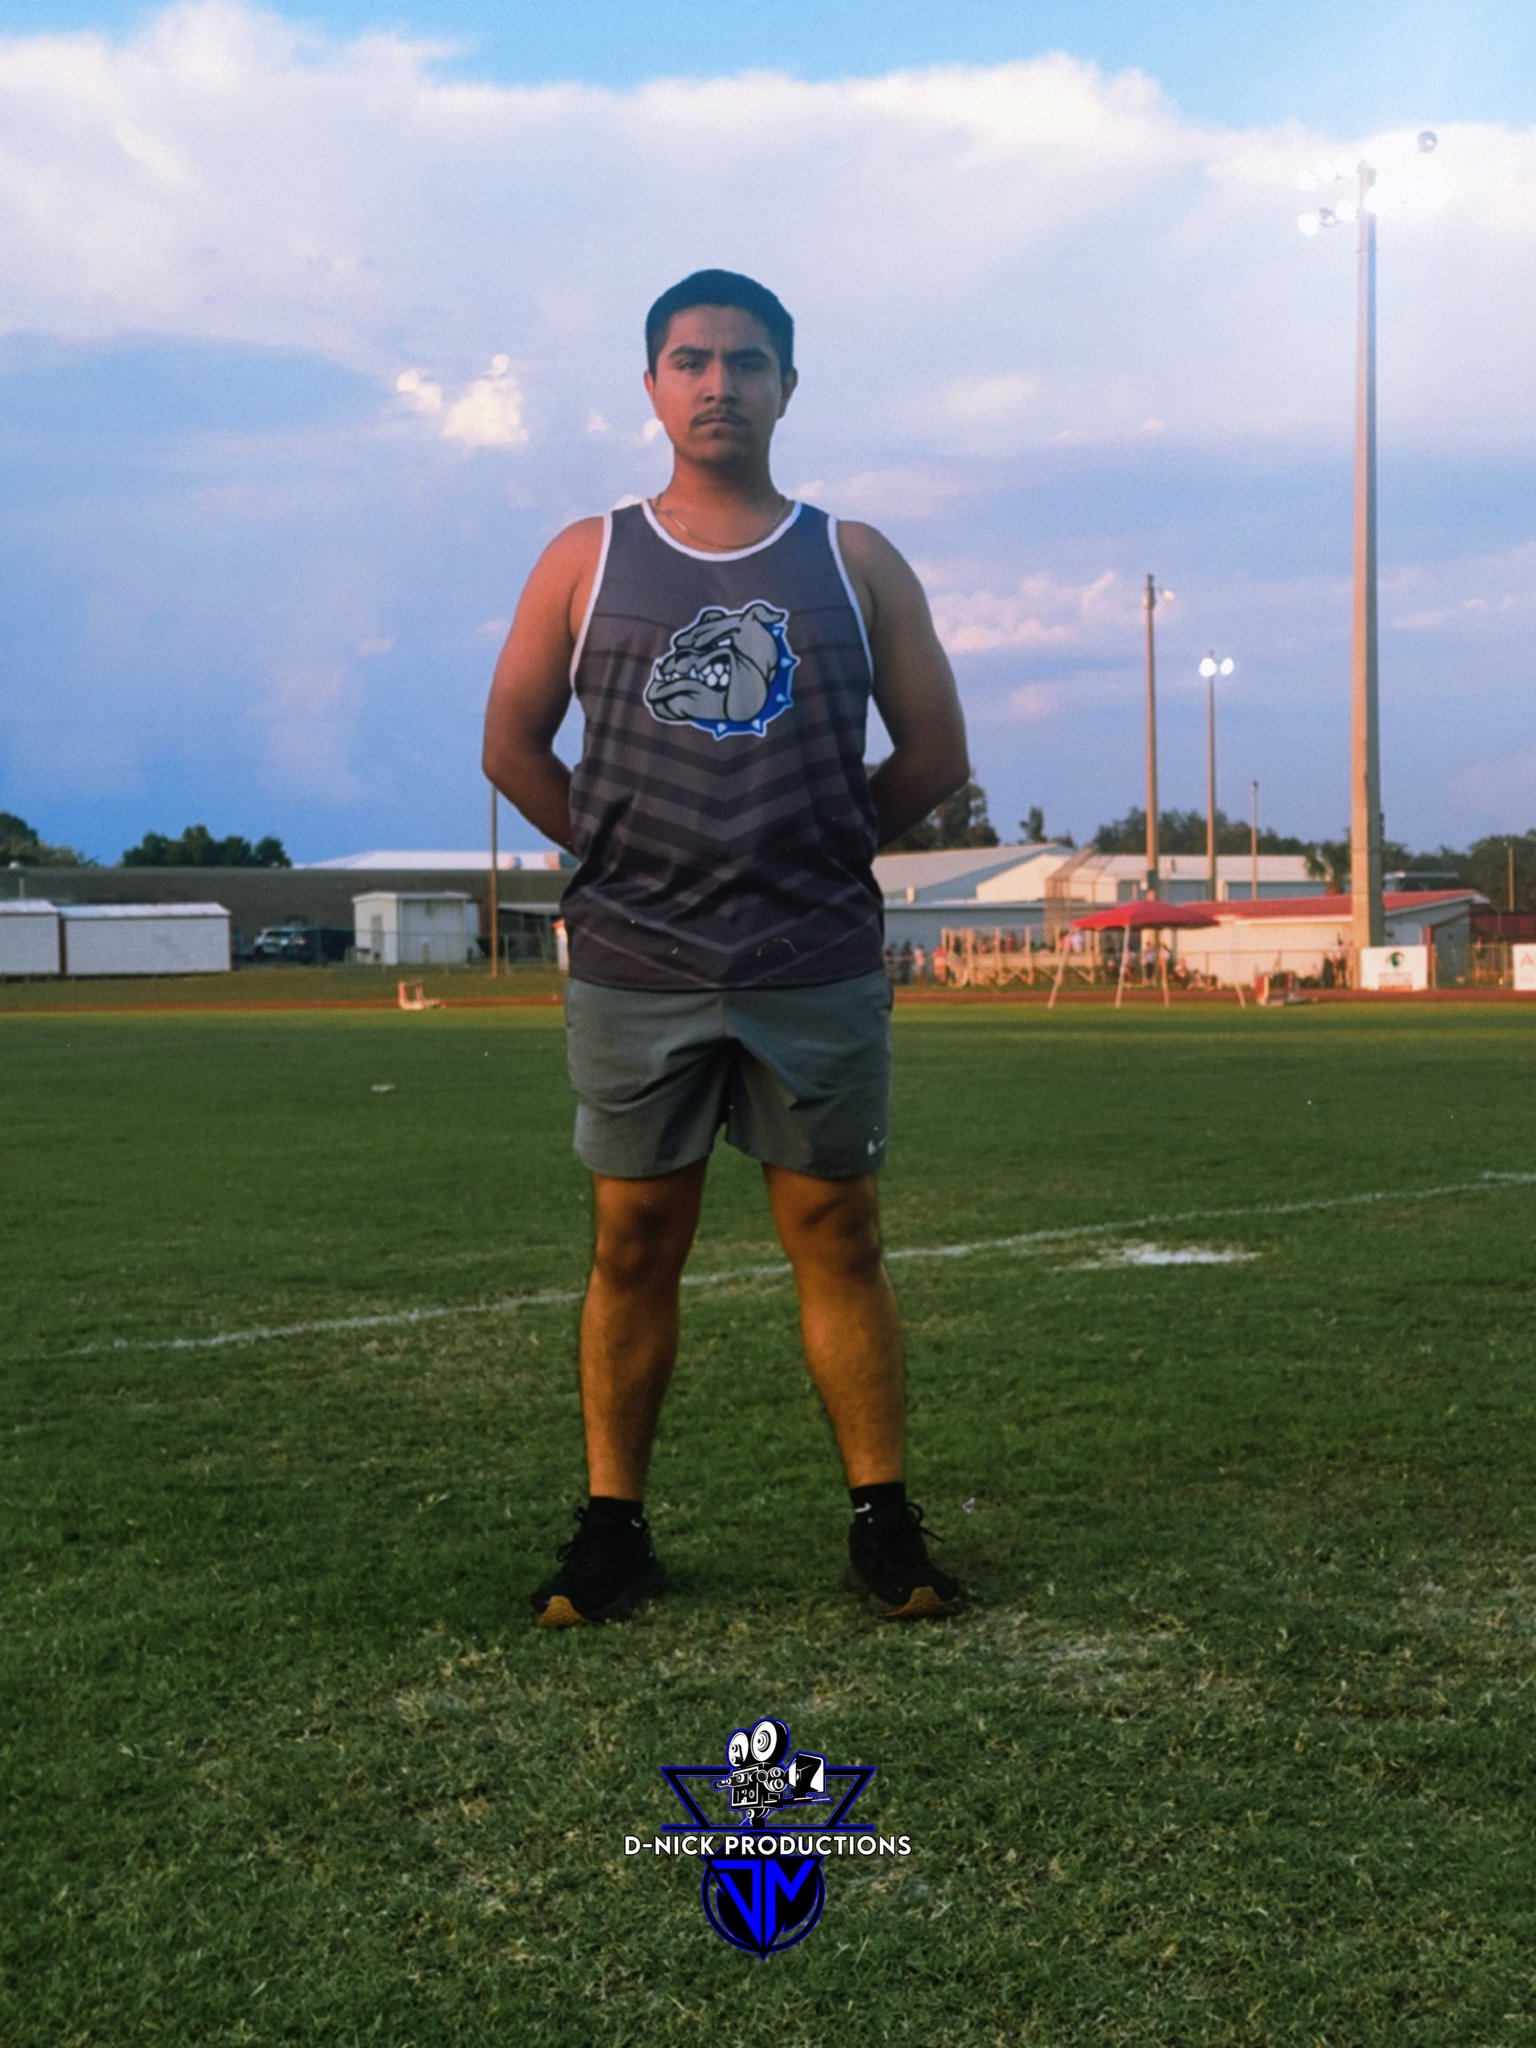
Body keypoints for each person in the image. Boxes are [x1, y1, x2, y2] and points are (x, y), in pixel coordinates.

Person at [482, 269, 971, 1627]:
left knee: (839, 1233)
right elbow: (511, 744)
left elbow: (936, 754)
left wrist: (819, 845)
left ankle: (882, 1522)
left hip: (808, 956)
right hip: (638, 961)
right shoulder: (586, 557)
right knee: (635, 1238)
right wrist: (621, 851)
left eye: (746, 362)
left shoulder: (853, 558)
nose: (718, 385)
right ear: (651, 385)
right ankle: (613, 1529)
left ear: (787, 387)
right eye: (690, 361)